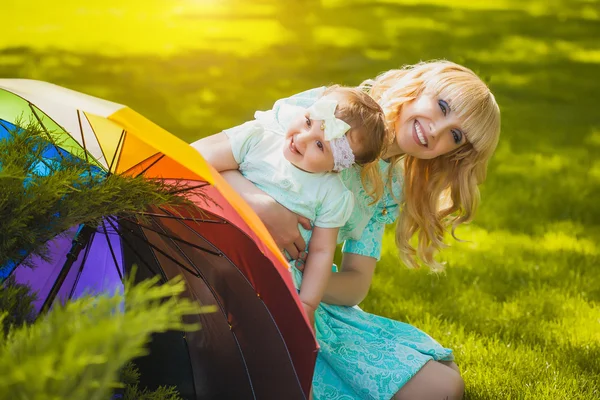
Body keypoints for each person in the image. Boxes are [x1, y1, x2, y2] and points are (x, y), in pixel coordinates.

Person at [192, 60, 501, 400]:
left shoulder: (392, 182)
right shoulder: (336, 108)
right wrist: (265, 208)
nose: (436, 130)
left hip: (300, 289)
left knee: (443, 384)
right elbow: (203, 155)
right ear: (418, 89)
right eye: (442, 107)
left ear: (455, 153)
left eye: (455, 135)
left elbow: (356, 282)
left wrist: (304, 284)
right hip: (230, 250)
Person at [194, 85, 387, 327]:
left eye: (320, 146)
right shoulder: (260, 140)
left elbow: (321, 252)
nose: (302, 138)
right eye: (307, 122)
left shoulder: (333, 195)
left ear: (338, 166)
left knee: (240, 320)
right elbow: (201, 162)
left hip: (263, 271)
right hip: (210, 235)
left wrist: (307, 305)